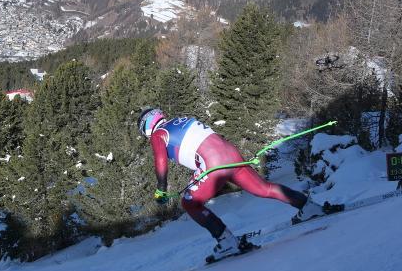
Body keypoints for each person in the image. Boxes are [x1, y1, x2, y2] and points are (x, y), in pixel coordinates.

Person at [138, 107, 322, 259]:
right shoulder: (179, 121)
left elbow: (160, 161)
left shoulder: (158, 134)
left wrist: (161, 189)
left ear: (147, 125)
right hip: (231, 154)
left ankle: (226, 242)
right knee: (263, 188)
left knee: (190, 203)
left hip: (213, 162)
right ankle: (308, 206)